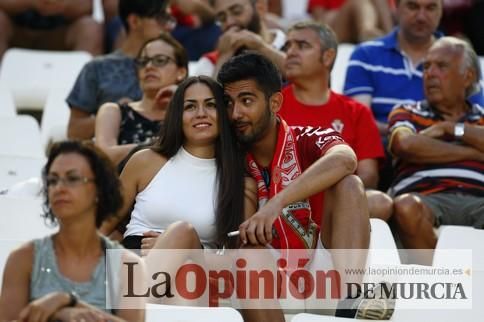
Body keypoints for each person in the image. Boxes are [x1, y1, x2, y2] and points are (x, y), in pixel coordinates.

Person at [218, 52, 392, 320]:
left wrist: (276, 203)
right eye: (228, 103)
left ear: (275, 102)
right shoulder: (228, 152)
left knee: (350, 184)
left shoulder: (305, 137)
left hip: (323, 270)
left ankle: (351, 302)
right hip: (261, 276)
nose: (235, 113)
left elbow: (346, 159)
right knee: (250, 257)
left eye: (247, 100)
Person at [100, 75, 254, 252]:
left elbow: (239, 262)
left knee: (183, 234)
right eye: (190, 106)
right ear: (177, 115)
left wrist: (182, 247)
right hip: (135, 266)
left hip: (196, 271)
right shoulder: (144, 161)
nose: (201, 113)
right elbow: (100, 229)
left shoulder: (241, 183)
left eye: (211, 105)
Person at [0, 140, 144, 322]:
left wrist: (67, 301)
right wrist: (58, 315)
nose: (59, 188)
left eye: (73, 178)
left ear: (99, 189)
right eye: (52, 180)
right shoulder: (23, 259)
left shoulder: (128, 265)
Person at [279, 21, 393, 221]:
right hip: (283, 205)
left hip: (336, 208)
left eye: (302, 45)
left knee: (380, 202)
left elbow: (369, 176)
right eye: (288, 46)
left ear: (328, 56)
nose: (291, 52)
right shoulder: (273, 105)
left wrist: (324, 189)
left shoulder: (356, 112)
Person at [388, 37, 484, 264]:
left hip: (479, 199)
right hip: (427, 198)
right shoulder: (406, 111)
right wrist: (473, 152)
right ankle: (444, 281)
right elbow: (406, 144)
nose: (430, 73)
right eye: (427, 67)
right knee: (406, 206)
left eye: (441, 66)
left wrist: (450, 129)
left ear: (468, 76)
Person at [66, 0, 175, 140]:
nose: (169, 26)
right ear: (135, 21)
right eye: (161, 19)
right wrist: (115, 114)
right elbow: (74, 132)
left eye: (169, 19)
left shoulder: (174, 67)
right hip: (111, 155)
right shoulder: (96, 69)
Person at [95, 33, 188, 166]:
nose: (149, 66)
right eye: (143, 62)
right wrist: (164, 146)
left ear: (181, 72)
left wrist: (182, 99)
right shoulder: (114, 111)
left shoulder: (190, 112)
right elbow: (104, 157)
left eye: (160, 60)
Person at [193, 0, 286, 77]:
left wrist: (261, 48)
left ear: (260, 8)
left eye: (237, 11)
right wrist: (223, 58)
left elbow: (299, 75)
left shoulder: (293, 43)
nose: (229, 22)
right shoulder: (209, 63)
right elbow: (211, 98)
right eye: (222, 18)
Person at [0, 0, 103, 60]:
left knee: (90, 29)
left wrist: (63, 5)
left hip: (59, 35)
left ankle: (84, 92)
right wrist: (32, 2)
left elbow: (87, 6)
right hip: (17, 32)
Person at [307, 0, 394, 43]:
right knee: (358, 2)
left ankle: (390, 37)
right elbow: (319, 23)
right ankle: (368, 32)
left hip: (379, 27)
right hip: (338, 31)